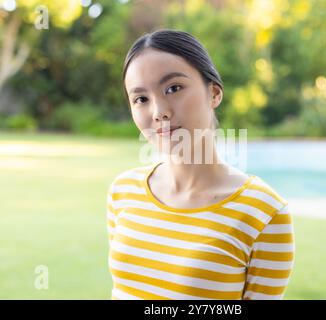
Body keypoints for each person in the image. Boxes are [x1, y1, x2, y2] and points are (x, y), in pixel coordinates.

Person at [106, 29, 295, 300]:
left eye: (173, 88)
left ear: (214, 93)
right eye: (141, 99)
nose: (159, 112)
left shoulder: (263, 213)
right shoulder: (123, 192)